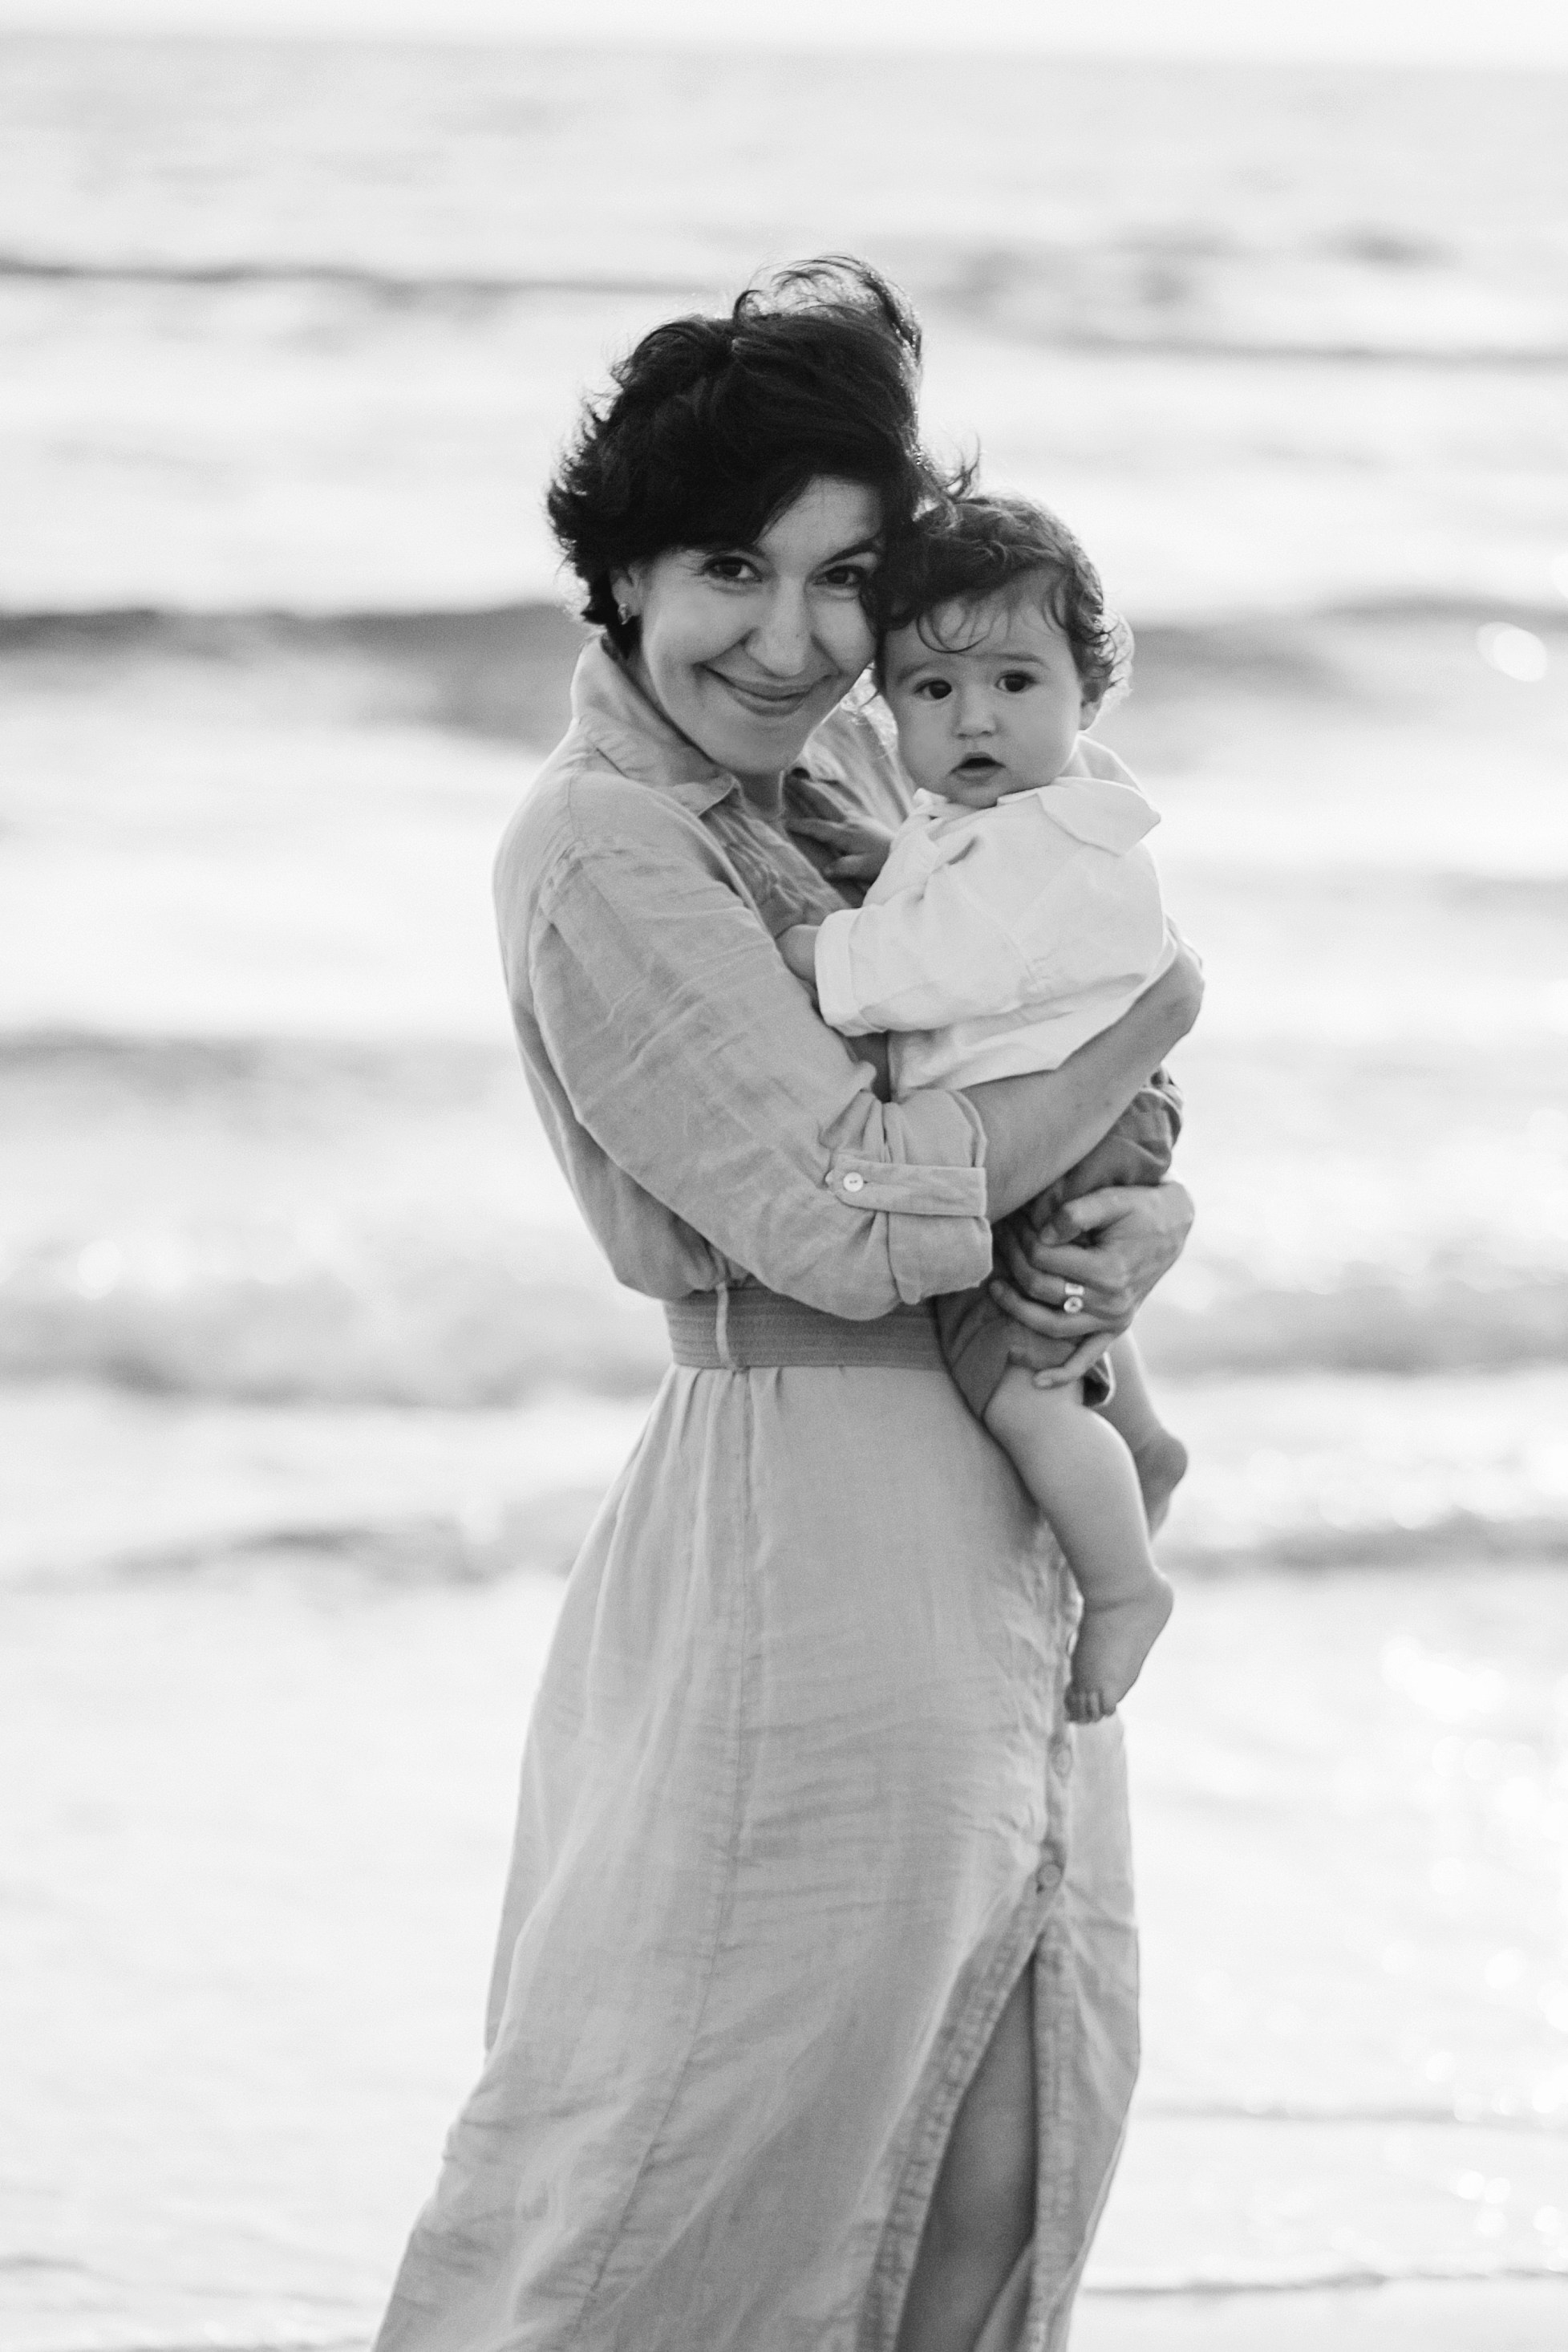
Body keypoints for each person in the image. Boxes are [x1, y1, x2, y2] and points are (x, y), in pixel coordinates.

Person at [372, 260, 1201, 2352]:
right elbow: (847, 1208)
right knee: (716, 2154)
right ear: (622, 568)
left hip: (978, 1502)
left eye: (847, 581)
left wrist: (1134, 1223)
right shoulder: (605, 848)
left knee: (995, 2139)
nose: (789, 634)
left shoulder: (848, 809)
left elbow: (997, 1074)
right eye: (729, 564)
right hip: (806, 1529)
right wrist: (1144, 1040)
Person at [779, 493, 1188, 1724]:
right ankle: (1147, 1444)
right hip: (1086, 1101)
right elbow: (943, 897)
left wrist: (820, 954)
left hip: (1070, 1120)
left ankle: (1123, 1586)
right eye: (933, 691)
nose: (976, 718)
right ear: (887, 703)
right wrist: (886, 875)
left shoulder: (1043, 839)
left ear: (1090, 691)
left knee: (1020, 1384)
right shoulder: (1005, 817)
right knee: (1052, 1321)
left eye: (1015, 681)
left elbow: (944, 967)